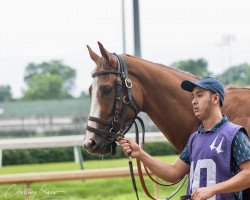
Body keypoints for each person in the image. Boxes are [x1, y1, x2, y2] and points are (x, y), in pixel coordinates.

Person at [119, 77, 250, 200]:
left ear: (215, 98)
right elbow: (173, 173)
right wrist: (140, 154)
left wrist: (213, 189)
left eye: (200, 95)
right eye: (193, 96)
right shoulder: (194, 138)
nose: (193, 101)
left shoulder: (234, 134)